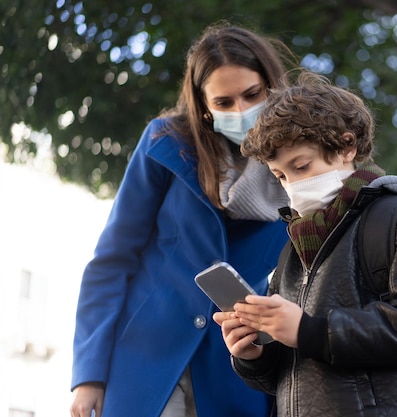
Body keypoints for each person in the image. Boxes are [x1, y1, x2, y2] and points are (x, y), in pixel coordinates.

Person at [70, 23, 297, 417]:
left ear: (272, 86)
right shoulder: (165, 144)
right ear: (204, 107)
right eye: (224, 102)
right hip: (146, 360)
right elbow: (112, 259)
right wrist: (89, 375)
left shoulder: (300, 166)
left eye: (252, 95)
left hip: (240, 374)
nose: (241, 111)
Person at [213, 72, 397, 417]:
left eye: (301, 166)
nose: (293, 185)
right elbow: (292, 374)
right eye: (281, 176)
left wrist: (309, 330)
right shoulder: (292, 251)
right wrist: (254, 354)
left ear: (347, 147)